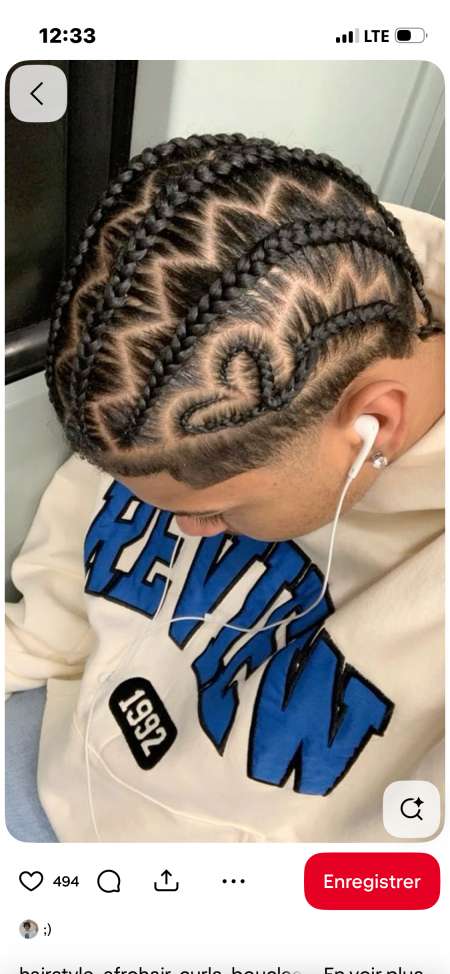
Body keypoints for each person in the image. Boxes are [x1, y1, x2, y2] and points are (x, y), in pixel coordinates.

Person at [5, 133, 444, 843]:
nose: (184, 531)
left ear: (373, 426)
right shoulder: (186, 354)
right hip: (57, 752)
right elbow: (68, 586)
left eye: (216, 511)